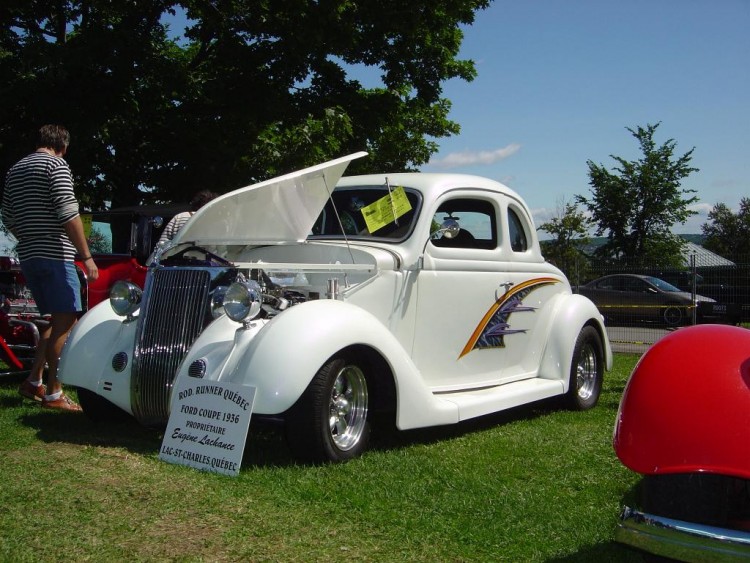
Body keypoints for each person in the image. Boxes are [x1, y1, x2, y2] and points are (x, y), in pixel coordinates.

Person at [2, 124, 99, 411]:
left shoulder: (15, 169)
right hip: (56, 255)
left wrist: (30, 237)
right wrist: (87, 256)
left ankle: (33, 381)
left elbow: (7, 216)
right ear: (64, 146)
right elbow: (68, 211)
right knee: (65, 325)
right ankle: (55, 394)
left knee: (49, 321)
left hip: (29, 256)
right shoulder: (56, 165)